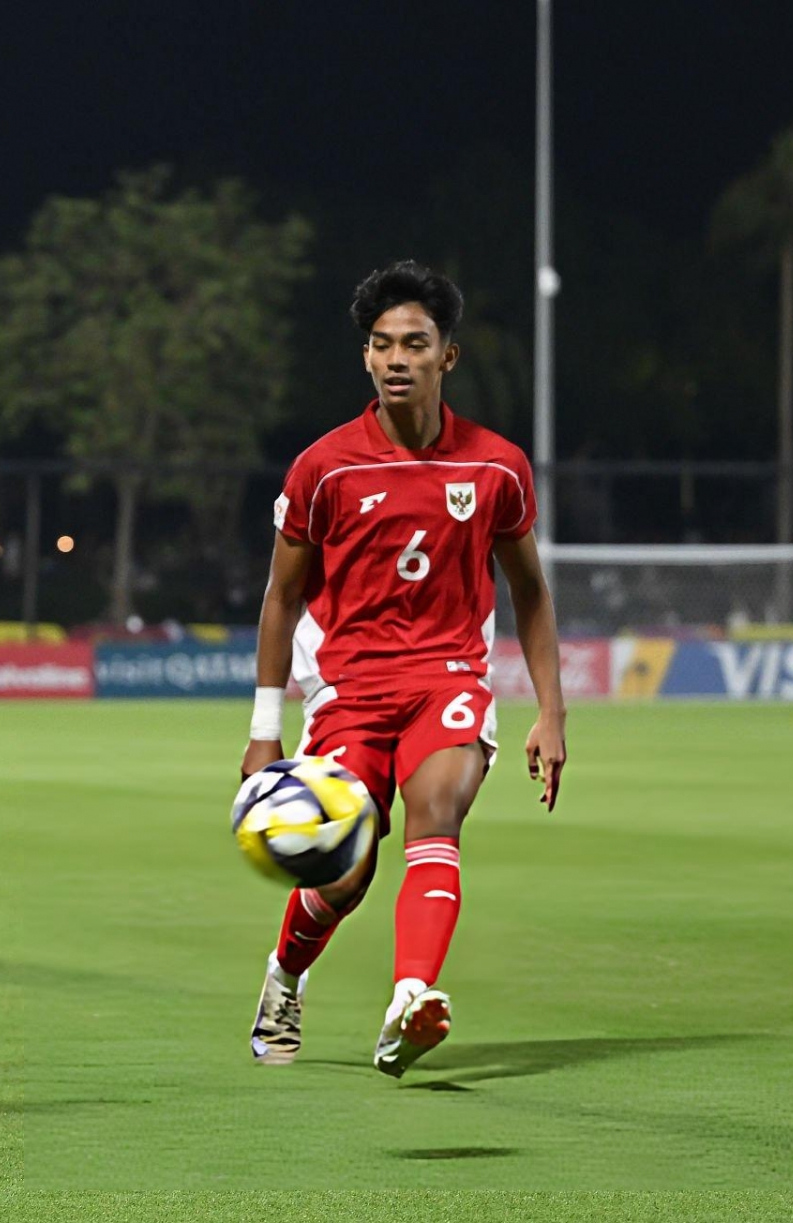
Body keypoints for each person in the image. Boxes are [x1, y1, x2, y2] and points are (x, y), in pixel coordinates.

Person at [241, 261, 567, 1078]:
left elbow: (530, 591)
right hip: (347, 690)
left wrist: (551, 711)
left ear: (446, 356)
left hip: (448, 679)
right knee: (346, 874)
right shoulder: (324, 467)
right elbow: (281, 598)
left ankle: (409, 1002)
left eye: (415, 344)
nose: (396, 358)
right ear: (366, 356)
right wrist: (263, 729)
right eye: (382, 344)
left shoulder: (496, 466)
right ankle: (285, 976)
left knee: (438, 811)